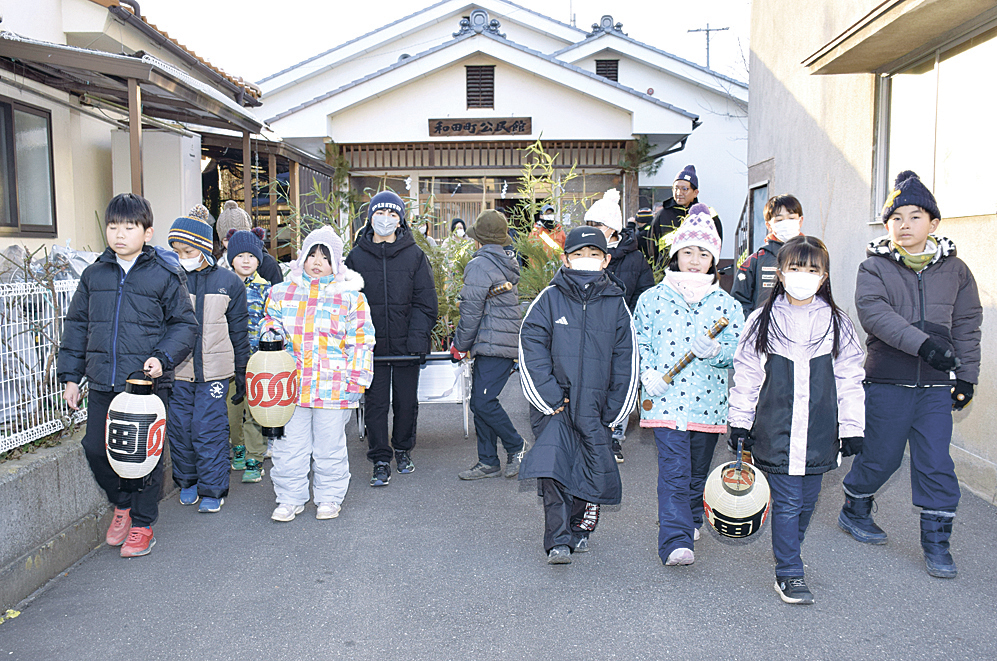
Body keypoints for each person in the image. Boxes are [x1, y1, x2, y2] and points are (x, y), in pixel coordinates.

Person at [838, 171, 982, 579]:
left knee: (935, 462)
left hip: (935, 387)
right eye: (896, 218)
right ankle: (855, 507)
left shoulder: (956, 271)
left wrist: (967, 377)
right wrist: (924, 345)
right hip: (887, 381)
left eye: (915, 216)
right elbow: (875, 315)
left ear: (933, 223)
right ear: (887, 226)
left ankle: (937, 544)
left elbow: (967, 324)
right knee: (881, 458)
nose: (905, 225)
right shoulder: (874, 268)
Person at [728, 235, 865, 605]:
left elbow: (850, 378)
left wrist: (852, 427)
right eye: (795, 267)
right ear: (781, 273)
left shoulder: (837, 322)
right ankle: (789, 571)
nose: (803, 275)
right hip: (776, 429)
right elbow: (747, 375)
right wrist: (740, 421)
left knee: (806, 502)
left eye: (812, 269)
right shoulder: (763, 320)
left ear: (824, 277)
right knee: (788, 502)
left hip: (819, 432)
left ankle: (788, 546)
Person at [58, 193, 197, 557]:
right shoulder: (94, 275)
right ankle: (122, 504)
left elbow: (184, 325)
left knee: (144, 458)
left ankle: (142, 524)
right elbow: (77, 326)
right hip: (103, 381)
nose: (119, 234)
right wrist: (71, 377)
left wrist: (162, 358)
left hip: (145, 386)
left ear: (147, 233)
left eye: (129, 227)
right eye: (113, 226)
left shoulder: (164, 274)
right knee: (95, 449)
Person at [518, 226, 639, 565]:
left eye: (594, 254)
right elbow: (530, 346)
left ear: (606, 260)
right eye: (579, 254)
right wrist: (549, 398)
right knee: (555, 469)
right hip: (555, 407)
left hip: (596, 407)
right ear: (566, 259)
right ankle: (557, 540)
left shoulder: (616, 305)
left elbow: (627, 359)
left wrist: (615, 410)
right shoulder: (549, 299)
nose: (586, 259)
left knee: (590, 466)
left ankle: (579, 528)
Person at [633, 204, 743, 566]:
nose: (695, 260)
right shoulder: (651, 299)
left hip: (708, 405)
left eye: (703, 254)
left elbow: (740, 352)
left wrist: (717, 351)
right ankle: (675, 540)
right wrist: (647, 373)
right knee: (674, 472)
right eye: (688, 252)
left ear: (713, 259)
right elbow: (639, 342)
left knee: (696, 472)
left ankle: (692, 516)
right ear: (676, 254)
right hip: (665, 402)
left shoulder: (727, 304)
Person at [262, 226, 375, 522]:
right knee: (288, 447)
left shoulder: (350, 298)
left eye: (325, 257)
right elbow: (270, 322)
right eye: (312, 254)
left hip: (333, 386)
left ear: (335, 264)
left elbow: (362, 341)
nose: (317, 262)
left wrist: (357, 380)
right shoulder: (281, 292)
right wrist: (270, 333)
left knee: (330, 447)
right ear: (302, 257)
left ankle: (329, 497)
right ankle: (289, 498)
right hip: (290, 386)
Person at [345, 191, 438, 487]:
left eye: (392, 214)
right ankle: (380, 458)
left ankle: (403, 449)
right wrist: (356, 340)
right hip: (370, 348)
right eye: (380, 214)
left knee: (406, 403)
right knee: (375, 405)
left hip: (406, 346)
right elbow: (346, 303)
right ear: (370, 218)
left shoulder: (415, 255)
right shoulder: (356, 257)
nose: (386, 219)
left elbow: (426, 302)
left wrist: (418, 339)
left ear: (400, 221)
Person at [167, 214, 250, 514]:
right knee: (180, 428)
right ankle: (187, 481)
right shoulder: (171, 279)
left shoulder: (229, 283)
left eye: (188, 251)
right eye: (177, 251)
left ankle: (213, 488)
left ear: (203, 248)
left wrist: (242, 372)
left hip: (215, 372)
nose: (183, 257)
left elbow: (239, 332)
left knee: (208, 429)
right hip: (179, 370)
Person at [451, 210, 527, 480]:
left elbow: (471, 311)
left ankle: (516, 446)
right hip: (497, 341)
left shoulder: (479, 264)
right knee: (480, 402)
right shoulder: (505, 260)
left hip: (494, 342)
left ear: (478, 239)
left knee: (483, 402)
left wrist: (460, 345)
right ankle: (488, 461)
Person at [586, 189, 655, 462]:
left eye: (598, 225)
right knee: (593, 382)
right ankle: (593, 435)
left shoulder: (635, 258)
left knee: (620, 382)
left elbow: (644, 294)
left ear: (612, 227)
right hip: (590, 329)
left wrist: (630, 319)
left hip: (622, 330)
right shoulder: (587, 253)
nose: (593, 230)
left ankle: (615, 438)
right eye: (590, 224)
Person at [225, 230, 272, 483]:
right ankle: (238, 448)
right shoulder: (222, 285)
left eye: (251, 256)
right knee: (232, 411)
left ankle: (255, 458)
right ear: (231, 258)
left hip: (257, 361)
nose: (246, 260)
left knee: (255, 411)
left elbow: (273, 322)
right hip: (229, 361)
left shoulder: (266, 289)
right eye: (240, 255)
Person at [731, 194, 804, 317]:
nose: (786, 223)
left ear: (800, 221)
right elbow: (739, 301)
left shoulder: (813, 257)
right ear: (769, 225)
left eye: (791, 218)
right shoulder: (755, 260)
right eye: (779, 220)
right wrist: (755, 322)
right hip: (764, 326)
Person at [650, 165, 722, 262]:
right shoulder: (662, 215)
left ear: (695, 192)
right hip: (667, 269)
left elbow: (716, 247)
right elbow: (651, 249)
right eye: (676, 188)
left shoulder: (707, 215)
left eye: (684, 189)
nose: (679, 193)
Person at [214, 201, 283, 285]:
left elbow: (278, 291)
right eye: (226, 240)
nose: (232, 243)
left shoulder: (268, 264)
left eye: (238, 238)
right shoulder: (220, 264)